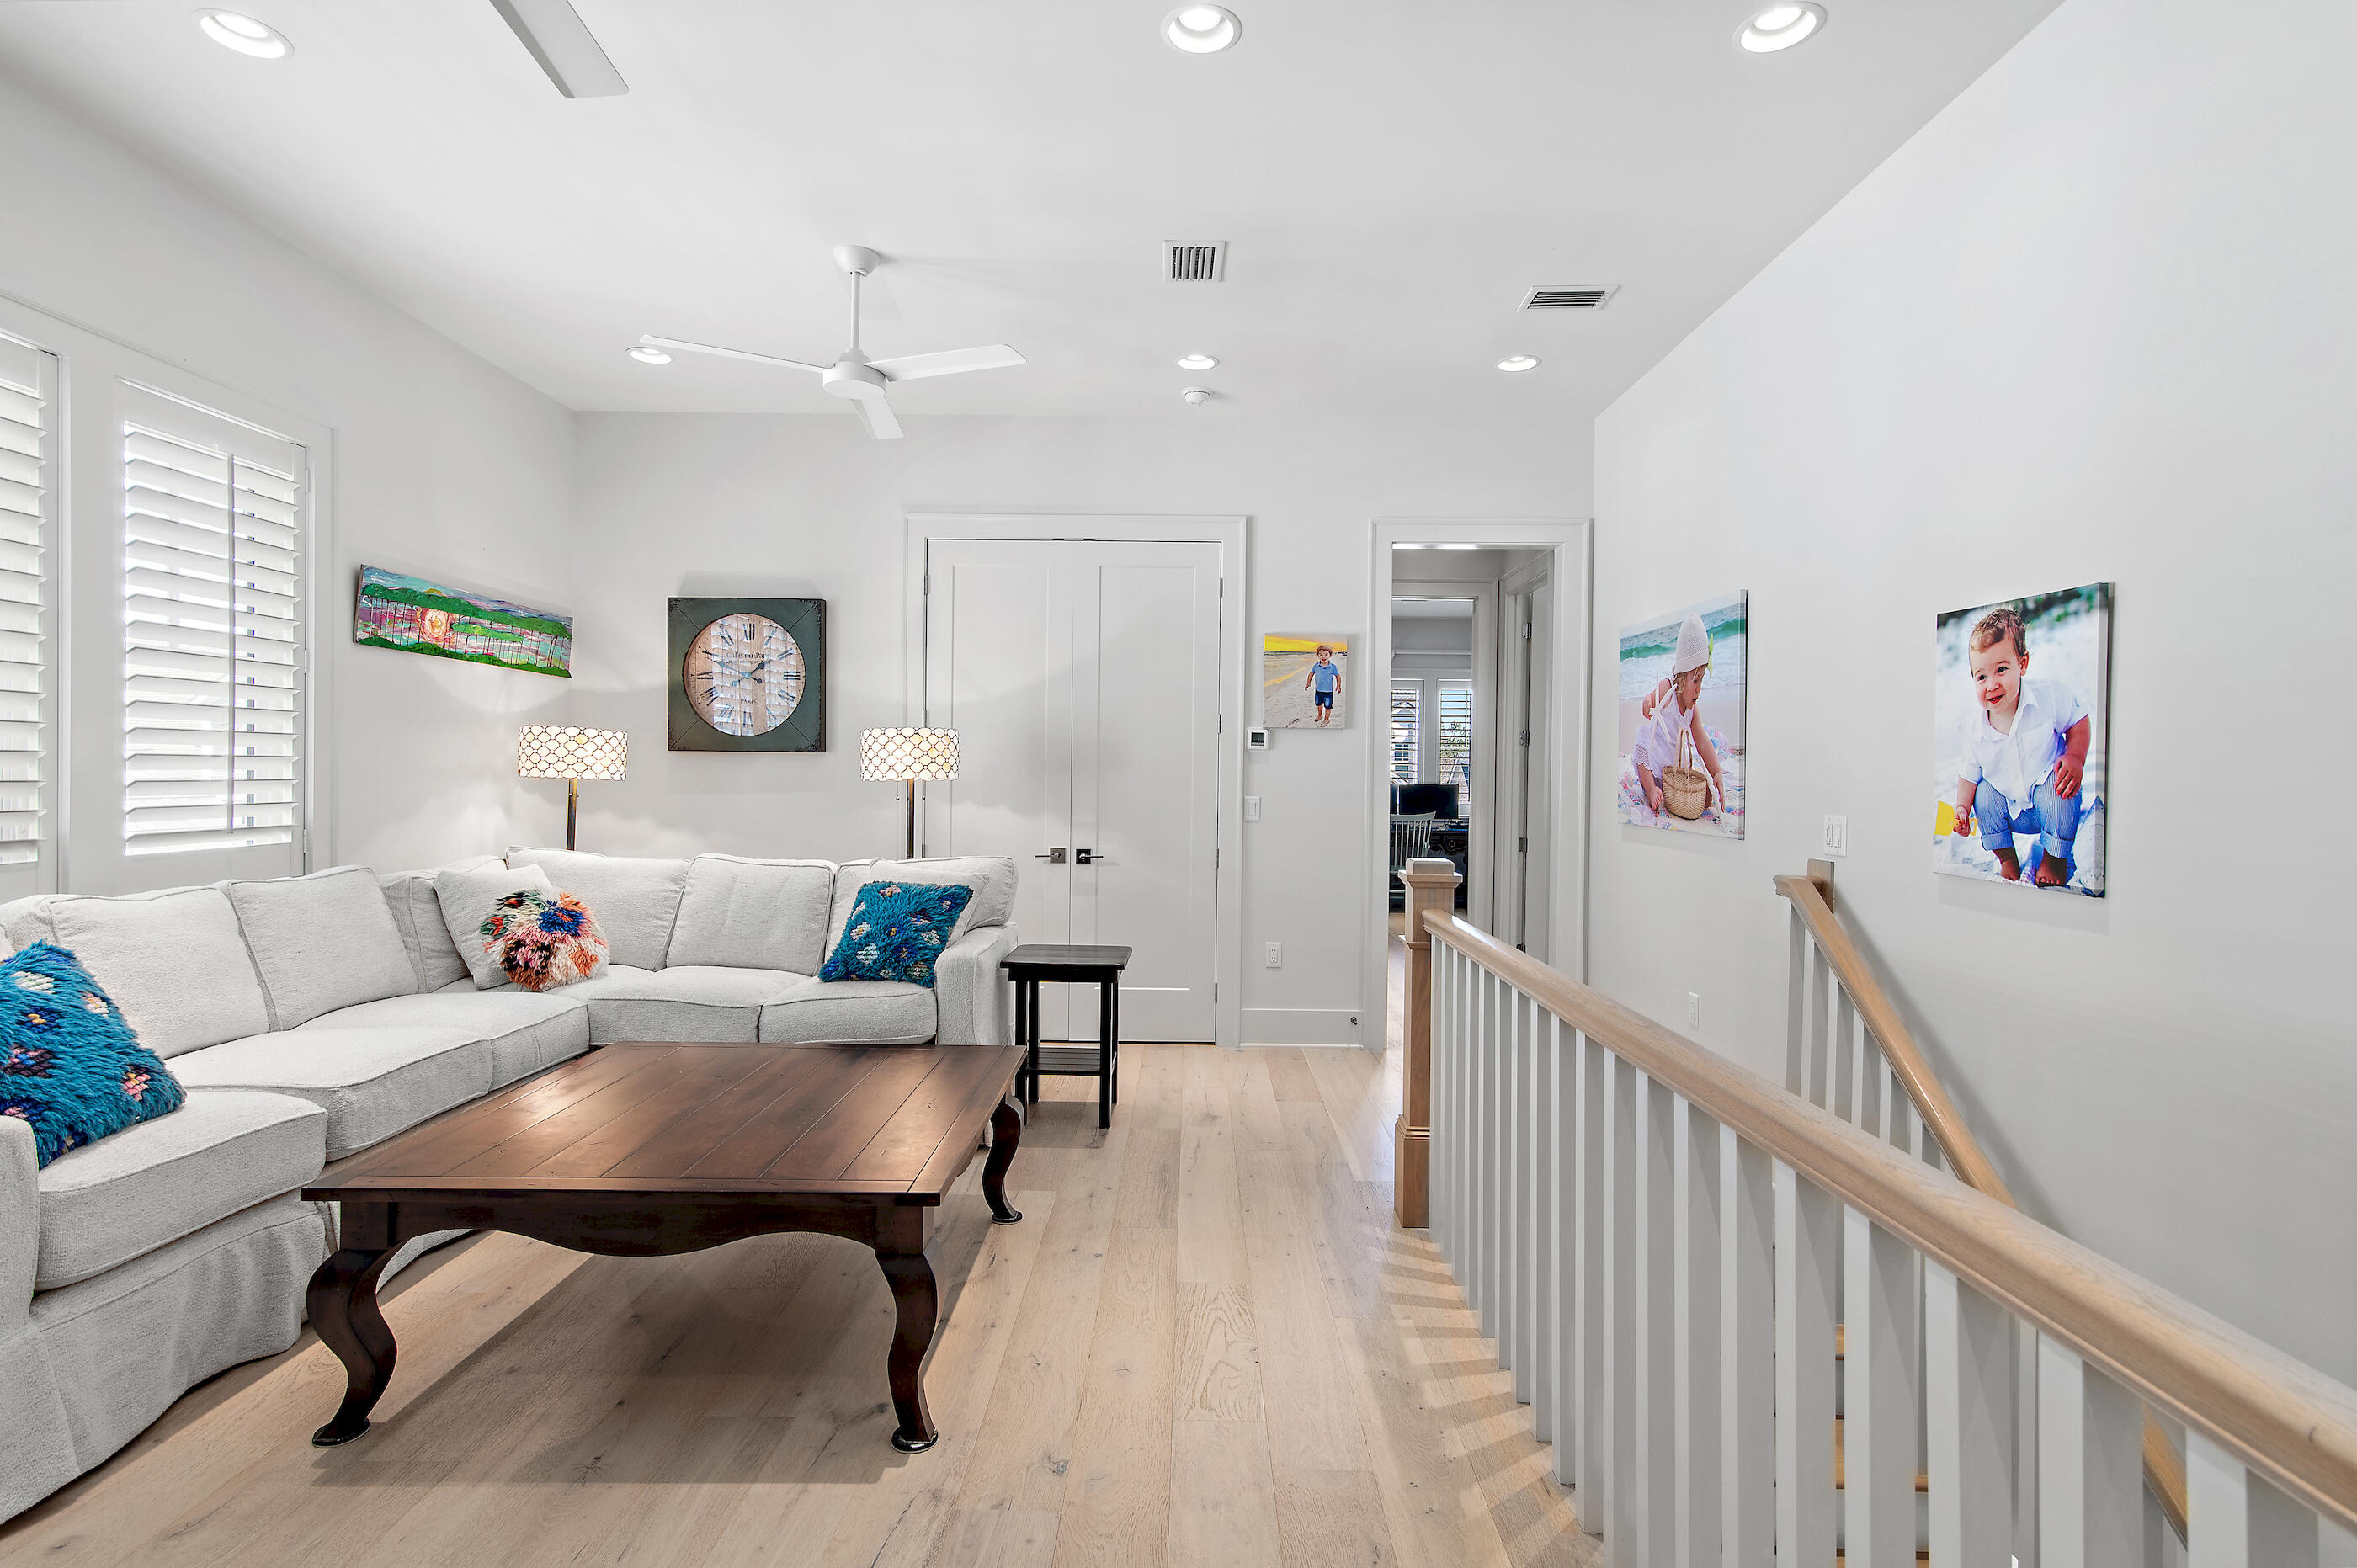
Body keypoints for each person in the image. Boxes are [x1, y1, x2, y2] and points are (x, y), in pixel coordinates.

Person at [1949, 605, 2091, 887]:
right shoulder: (1977, 730)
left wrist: (2075, 756)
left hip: (2048, 801)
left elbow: (2079, 719)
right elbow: (1968, 775)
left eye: (2001, 670)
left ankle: (2054, 857)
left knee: (2062, 787)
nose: (1991, 684)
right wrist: (1962, 808)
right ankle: (2007, 858)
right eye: (1981, 677)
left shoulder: (2048, 697)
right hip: (2009, 808)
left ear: (2022, 664)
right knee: (1983, 795)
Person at [1631, 615, 1725, 816]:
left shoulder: (1692, 712)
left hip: (1674, 769)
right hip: (1655, 762)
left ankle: (1679, 794)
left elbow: (1703, 743)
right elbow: (1652, 698)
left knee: (1706, 796)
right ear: (1681, 677)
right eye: (1695, 680)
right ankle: (1651, 790)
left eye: (1702, 680)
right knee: (1641, 744)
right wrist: (1648, 700)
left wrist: (1717, 771)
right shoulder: (1668, 690)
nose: (1699, 688)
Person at [1302, 644, 1342, 726]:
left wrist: (1338, 686)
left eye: (1326, 654)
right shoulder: (1316, 666)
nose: (1323, 656)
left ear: (1330, 655)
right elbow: (1311, 674)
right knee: (1319, 704)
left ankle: (1327, 719)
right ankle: (1320, 715)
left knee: (1328, 706)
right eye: (1321, 655)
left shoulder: (1333, 667)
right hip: (1318, 690)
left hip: (1328, 691)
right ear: (1318, 656)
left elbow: (1338, 676)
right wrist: (1308, 683)